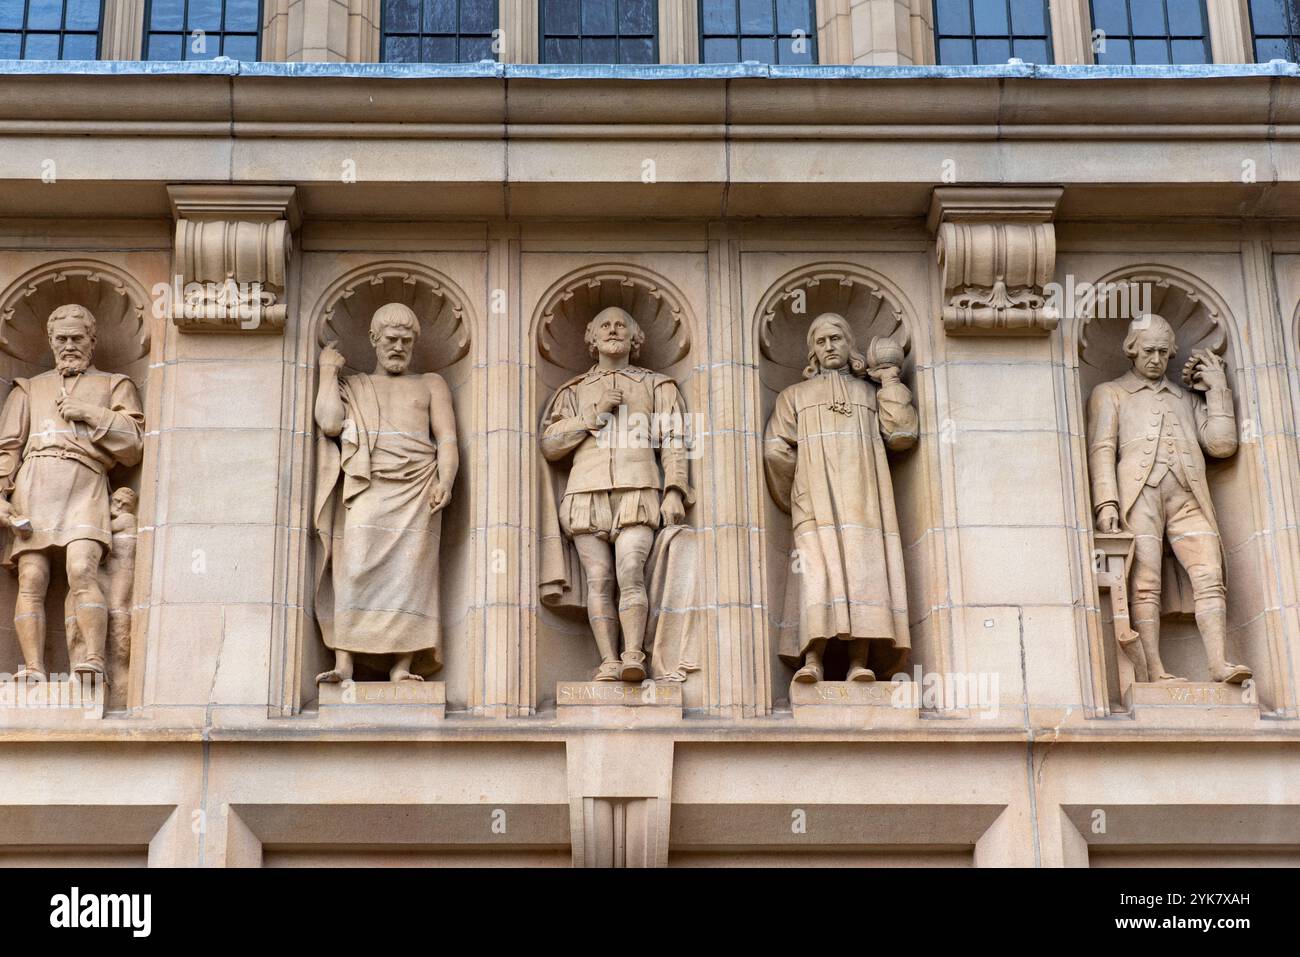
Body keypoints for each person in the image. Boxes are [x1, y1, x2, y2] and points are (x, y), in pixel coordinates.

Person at [1087, 313, 1251, 684]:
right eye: (1148, 351)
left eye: (1163, 352)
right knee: (1145, 580)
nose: (1156, 359)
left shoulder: (1184, 398)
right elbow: (1101, 449)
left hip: (1187, 496)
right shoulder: (1110, 393)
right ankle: (1153, 671)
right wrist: (1106, 503)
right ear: (1131, 350)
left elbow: (1222, 445)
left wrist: (1216, 390)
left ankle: (1218, 663)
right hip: (1138, 496)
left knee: (1210, 573)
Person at [539, 306, 693, 682]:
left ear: (634, 337)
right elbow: (550, 444)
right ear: (591, 337)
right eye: (604, 324)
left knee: (630, 570)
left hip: (638, 488)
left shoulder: (658, 386)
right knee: (599, 579)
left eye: (621, 324)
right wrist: (593, 415)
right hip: (585, 493)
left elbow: (675, 441)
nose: (612, 330)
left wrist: (674, 489)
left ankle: (633, 654)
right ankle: (609, 659)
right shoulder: (573, 391)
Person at [763, 312, 917, 684]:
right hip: (813, 501)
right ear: (812, 352)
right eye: (821, 341)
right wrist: (796, 494)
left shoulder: (869, 393)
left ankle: (858, 662)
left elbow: (902, 434)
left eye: (836, 338)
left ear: (851, 345)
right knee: (816, 576)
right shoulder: (794, 396)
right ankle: (812, 658)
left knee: (863, 575)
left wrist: (891, 380)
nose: (829, 346)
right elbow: (775, 450)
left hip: (866, 504)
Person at [313, 303, 458, 684]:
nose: (398, 347)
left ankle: (402, 666)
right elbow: (329, 422)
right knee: (353, 566)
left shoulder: (430, 383)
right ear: (374, 341)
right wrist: (329, 371)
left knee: (411, 574)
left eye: (406, 341)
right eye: (391, 340)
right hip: (369, 486)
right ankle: (344, 663)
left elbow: (446, 438)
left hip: (418, 489)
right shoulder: (355, 385)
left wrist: (447, 480)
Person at [0, 304, 144, 680]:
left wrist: (89, 413)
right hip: (34, 485)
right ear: (49, 340)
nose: (68, 346)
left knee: (83, 569)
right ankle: (33, 668)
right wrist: (0, 494)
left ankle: (93, 658)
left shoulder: (115, 385)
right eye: (60, 339)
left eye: (77, 338)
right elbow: (8, 449)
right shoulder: (28, 389)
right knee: (32, 577)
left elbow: (133, 445)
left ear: (92, 341)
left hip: (85, 483)